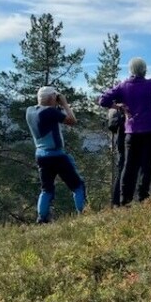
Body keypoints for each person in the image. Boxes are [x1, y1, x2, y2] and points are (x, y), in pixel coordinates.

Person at [98, 58, 151, 204]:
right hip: (150, 130)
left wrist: (119, 107)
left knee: (128, 165)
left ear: (130, 70)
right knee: (147, 165)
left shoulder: (123, 86)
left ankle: (125, 200)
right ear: (144, 70)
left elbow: (103, 100)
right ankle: (143, 197)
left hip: (132, 131)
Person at [26, 86, 86, 223]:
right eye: (55, 97)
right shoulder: (50, 112)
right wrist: (64, 103)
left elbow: (47, 115)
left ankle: (42, 218)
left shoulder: (30, 111)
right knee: (78, 186)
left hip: (40, 155)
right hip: (56, 155)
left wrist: (55, 103)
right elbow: (72, 121)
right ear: (52, 97)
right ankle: (83, 214)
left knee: (46, 189)